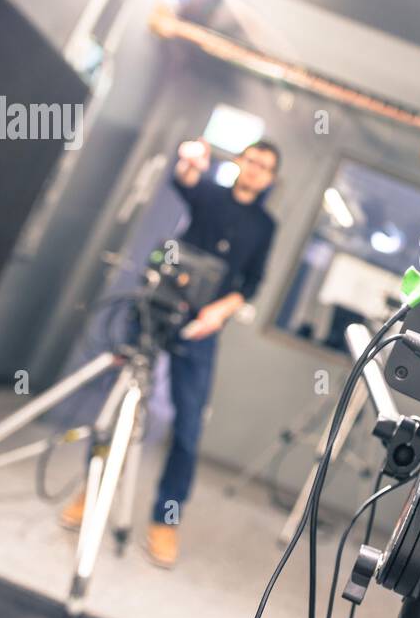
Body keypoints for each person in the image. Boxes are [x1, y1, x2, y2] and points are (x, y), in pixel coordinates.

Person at [61, 137, 280, 567]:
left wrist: (218, 312)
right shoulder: (210, 195)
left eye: (264, 167)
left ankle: (165, 521)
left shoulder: (265, 226)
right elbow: (184, 180)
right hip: (158, 310)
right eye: (250, 160)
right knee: (121, 406)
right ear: (239, 161)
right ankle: (91, 491)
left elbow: (251, 283)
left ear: (271, 178)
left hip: (202, 329)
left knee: (189, 429)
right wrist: (189, 160)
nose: (255, 169)